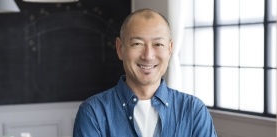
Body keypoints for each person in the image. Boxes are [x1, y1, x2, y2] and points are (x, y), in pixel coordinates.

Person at [73, 8, 217, 137]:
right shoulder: (93, 112)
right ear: (120, 48)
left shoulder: (193, 110)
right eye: (137, 44)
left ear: (170, 49)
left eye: (158, 44)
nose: (148, 56)